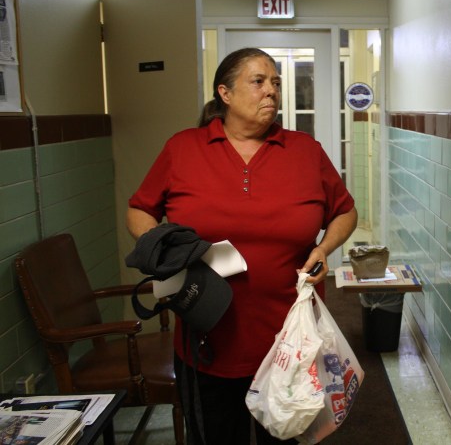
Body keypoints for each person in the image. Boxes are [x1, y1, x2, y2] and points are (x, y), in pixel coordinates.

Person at [126, 47, 357, 444]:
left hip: (291, 342)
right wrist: (162, 254)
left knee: (286, 436)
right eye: (259, 81)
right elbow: (139, 209)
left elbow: (345, 212)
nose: (272, 91)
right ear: (225, 94)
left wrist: (325, 248)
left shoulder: (305, 151)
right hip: (208, 340)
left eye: (276, 83)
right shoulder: (184, 148)